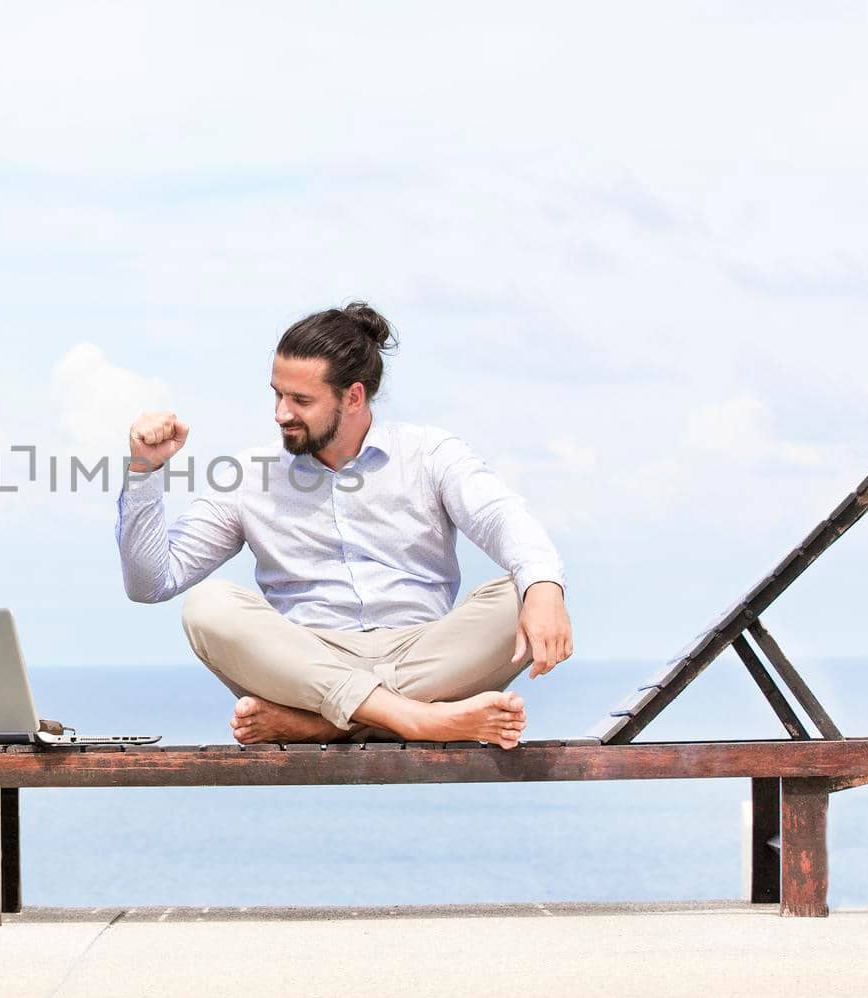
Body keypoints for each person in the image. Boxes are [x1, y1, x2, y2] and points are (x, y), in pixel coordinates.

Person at [114, 302, 573, 749]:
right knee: (207, 606)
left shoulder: (430, 453)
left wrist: (545, 588)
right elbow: (152, 583)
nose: (281, 413)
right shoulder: (247, 477)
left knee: (525, 592)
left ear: (353, 396)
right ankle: (413, 719)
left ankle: (327, 725)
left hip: (422, 655)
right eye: (277, 393)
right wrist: (143, 471)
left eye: (300, 400)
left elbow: (500, 516)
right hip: (307, 662)